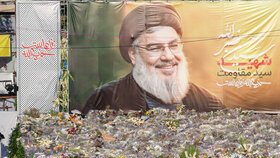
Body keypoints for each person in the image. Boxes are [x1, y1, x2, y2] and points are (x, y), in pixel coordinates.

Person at [82, 4, 224, 115]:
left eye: (174, 46)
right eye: (155, 47)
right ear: (133, 55)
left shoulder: (209, 104)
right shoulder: (104, 100)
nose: (168, 56)